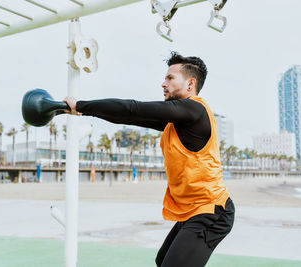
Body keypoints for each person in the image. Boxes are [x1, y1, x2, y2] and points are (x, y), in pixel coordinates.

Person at [64, 52, 235, 267]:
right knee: (162, 260)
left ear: (190, 84)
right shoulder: (178, 121)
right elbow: (131, 116)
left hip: (212, 210)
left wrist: (81, 105)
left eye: (170, 78)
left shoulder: (194, 109)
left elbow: (133, 108)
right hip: (193, 210)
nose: (163, 84)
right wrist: (82, 112)